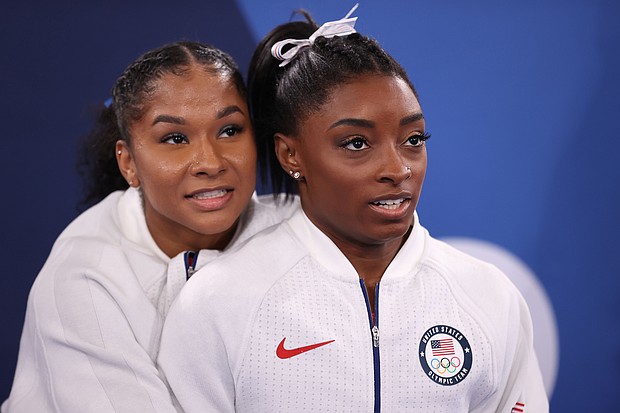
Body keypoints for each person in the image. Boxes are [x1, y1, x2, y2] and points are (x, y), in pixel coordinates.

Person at [157, 7, 549, 413]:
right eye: (357, 143)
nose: (398, 169)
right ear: (291, 155)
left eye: (413, 139)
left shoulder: (488, 296)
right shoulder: (218, 303)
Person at [2, 41, 297, 413]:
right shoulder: (83, 278)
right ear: (129, 164)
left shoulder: (299, 231)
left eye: (229, 130)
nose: (210, 162)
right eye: (175, 138)